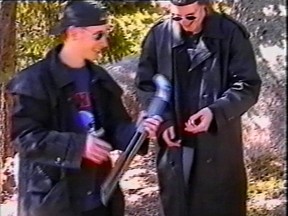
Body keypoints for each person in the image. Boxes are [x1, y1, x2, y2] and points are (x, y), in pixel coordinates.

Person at [6, 1, 161, 216]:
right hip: (54, 202)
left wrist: (139, 131)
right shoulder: (33, 82)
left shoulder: (100, 79)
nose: (105, 43)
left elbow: (115, 128)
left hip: (100, 197)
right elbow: (25, 137)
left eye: (106, 34)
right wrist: (77, 146)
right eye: (98, 35)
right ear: (74, 33)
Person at [135, 0, 262, 216]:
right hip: (175, 144)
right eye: (176, 17)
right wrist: (163, 122)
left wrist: (215, 111)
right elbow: (145, 84)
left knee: (220, 205)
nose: (184, 23)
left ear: (204, 6)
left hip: (218, 142)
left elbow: (247, 85)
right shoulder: (159, 35)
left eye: (190, 16)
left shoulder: (230, 33)